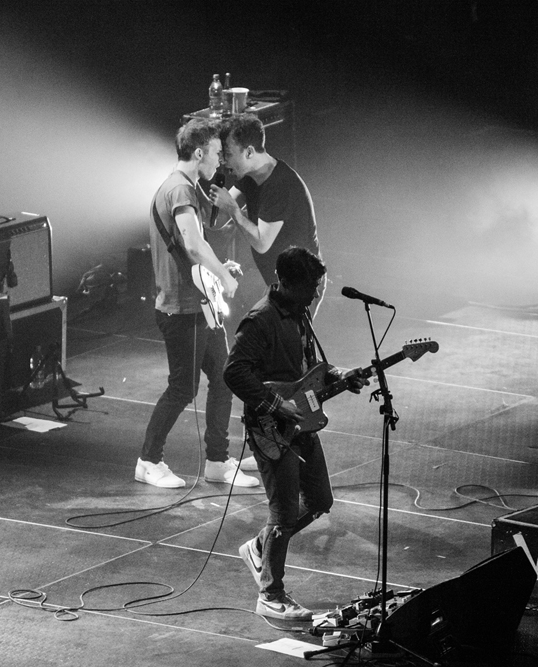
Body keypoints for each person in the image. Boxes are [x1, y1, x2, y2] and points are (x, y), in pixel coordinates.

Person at [224, 247, 367, 620]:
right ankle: (270, 595)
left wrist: (338, 375)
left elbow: (308, 366)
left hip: (302, 422)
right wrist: (274, 405)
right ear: (287, 283)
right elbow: (235, 372)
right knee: (283, 513)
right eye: (311, 286)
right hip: (271, 428)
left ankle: (259, 547)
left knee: (319, 500)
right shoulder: (260, 320)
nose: (316, 293)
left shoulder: (299, 313)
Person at [137, 118, 259, 489]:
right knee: (182, 387)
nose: (221, 161)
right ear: (200, 152)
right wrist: (223, 276)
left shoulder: (187, 188)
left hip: (200, 304)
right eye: (218, 153)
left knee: (224, 379)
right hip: (182, 309)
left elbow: (196, 250)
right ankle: (148, 460)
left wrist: (219, 269)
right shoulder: (179, 190)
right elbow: (191, 244)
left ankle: (218, 462)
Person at [210, 114, 320, 307]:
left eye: (228, 154)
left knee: (289, 338)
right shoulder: (249, 175)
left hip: (302, 284)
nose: (223, 161)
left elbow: (262, 243)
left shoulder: (279, 184)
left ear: (249, 152)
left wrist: (234, 211)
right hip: (280, 282)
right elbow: (217, 220)